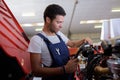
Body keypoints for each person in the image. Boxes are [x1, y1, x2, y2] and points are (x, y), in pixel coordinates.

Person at [28, 4, 92, 80]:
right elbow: (36, 71)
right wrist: (64, 69)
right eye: (58, 22)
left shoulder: (58, 34)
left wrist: (84, 40)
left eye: (62, 22)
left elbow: (72, 44)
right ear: (48, 20)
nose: (61, 26)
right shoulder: (37, 40)